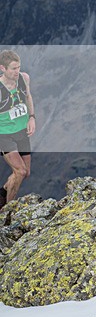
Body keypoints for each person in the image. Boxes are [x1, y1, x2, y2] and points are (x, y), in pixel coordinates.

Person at [0, 50, 35, 209]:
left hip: (21, 133)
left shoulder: (24, 78)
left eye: (18, 67)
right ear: (3, 68)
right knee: (19, 171)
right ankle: (7, 209)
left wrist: (32, 117)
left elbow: (28, 96)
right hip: (4, 135)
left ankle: (3, 192)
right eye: (13, 69)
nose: (17, 72)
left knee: (25, 173)